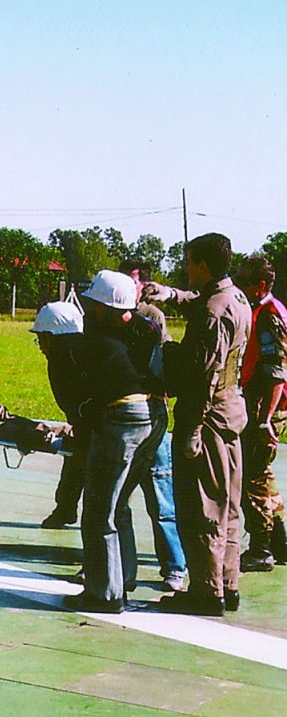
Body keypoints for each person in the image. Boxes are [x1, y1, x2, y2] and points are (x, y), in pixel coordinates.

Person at [143, 233, 251, 616]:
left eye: (189, 262)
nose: (187, 269)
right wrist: (170, 294)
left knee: (201, 505)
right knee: (228, 506)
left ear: (202, 265)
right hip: (231, 412)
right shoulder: (236, 298)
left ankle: (206, 591)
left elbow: (203, 375)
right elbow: (201, 302)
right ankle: (226, 583)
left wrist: (190, 430)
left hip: (207, 418)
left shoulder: (212, 312)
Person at [63, 270, 168, 614]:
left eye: (95, 304)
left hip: (123, 417)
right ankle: (123, 579)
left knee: (98, 511)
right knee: (119, 504)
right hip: (156, 416)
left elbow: (88, 391)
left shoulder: (96, 341)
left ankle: (104, 594)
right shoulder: (146, 329)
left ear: (105, 307)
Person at [118, 260, 188, 592]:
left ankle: (174, 566)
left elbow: (162, 362)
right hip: (121, 416)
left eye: (132, 281)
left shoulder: (152, 317)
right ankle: (114, 565)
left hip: (150, 412)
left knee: (161, 496)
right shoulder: (108, 316)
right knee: (113, 498)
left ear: (144, 285)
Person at [233, 255, 287, 572]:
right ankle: (279, 542)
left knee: (250, 477)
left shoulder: (269, 316)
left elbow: (277, 373)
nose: (239, 285)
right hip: (261, 403)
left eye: (244, 281)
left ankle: (261, 548)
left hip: (264, 406)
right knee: (262, 475)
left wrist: (265, 419)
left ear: (261, 285)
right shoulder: (264, 310)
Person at [31, 303, 90, 531]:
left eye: (41, 339)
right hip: (89, 424)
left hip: (106, 426)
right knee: (75, 456)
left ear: (51, 337)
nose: (40, 346)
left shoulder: (64, 361)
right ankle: (65, 508)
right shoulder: (73, 354)